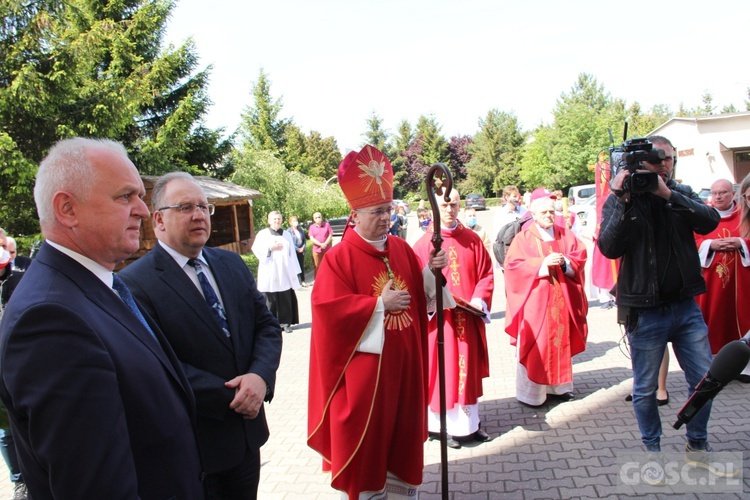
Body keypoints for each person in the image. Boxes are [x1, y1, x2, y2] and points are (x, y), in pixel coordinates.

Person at [0, 138, 204, 498]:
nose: (142, 210)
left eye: (140, 195)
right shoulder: (49, 320)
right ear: (67, 209)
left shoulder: (94, 284)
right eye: (125, 196)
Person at [119, 172, 283, 499]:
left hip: (247, 440)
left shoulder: (232, 263)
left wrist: (259, 378)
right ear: (159, 220)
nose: (198, 214)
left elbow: (265, 326)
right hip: (194, 447)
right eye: (185, 207)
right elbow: (158, 365)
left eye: (203, 206)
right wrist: (237, 397)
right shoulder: (134, 284)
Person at [308, 145, 448, 499]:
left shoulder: (400, 249)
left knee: (402, 451)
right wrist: (377, 306)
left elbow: (419, 295)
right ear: (354, 214)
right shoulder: (339, 259)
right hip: (365, 383)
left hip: (405, 373)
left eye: (389, 210)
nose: (386, 218)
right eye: (377, 212)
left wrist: (432, 273)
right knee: (367, 460)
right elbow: (328, 313)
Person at [597, 135, 720, 455]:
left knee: (705, 382)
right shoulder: (621, 198)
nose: (664, 164)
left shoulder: (680, 192)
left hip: (685, 307)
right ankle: (652, 448)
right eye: (657, 159)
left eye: (670, 159)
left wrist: (667, 195)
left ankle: (697, 440)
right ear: (640, 163)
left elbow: (710, 222)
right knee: (645, 389)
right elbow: (609, 248)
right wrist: (623, 201)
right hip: (644, 311)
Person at [413, 188, 494, 449]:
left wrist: (478, 300)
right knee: (441, 370)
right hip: (440, 324)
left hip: (467, 320)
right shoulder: (423, 245)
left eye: (454, 204)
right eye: (445, 205)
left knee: (466, 369)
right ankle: (439, 427)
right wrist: (435, 301)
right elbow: (415, 285)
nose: (450, 209)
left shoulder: (472, 239)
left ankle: (470, 425)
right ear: (436, 208)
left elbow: (486, 274)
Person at [504, 194, 588, 406]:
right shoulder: (523, 238)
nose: (549, 216)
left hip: (562, 299)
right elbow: (513, 266)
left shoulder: (564, 234)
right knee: (538, 345)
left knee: (560, 340)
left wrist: (565, 263)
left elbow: (579, 255)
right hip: (536, 303)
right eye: (544, 212)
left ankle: (560, 387)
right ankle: (533, 395)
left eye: (552, 211)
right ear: (533, 214)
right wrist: (542, 264)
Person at [695, 178, 750, 382]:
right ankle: (712, 367)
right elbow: (692, 240)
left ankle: (744, 367)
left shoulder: (744, 216)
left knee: (742, 317)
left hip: (741, 282)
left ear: (733, 194)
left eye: (723, 192)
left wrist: (740, 243)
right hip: (711, 282)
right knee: (711, 318)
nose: (718, 196)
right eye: (715, 193)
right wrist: (710, 245)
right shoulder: (702, 216)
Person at [252, 211, 301, 333]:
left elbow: (292, 254)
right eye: (274, 219)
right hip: (270, 269)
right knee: (270, 298)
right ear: (269, 221)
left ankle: (285, 323)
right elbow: (256, 249)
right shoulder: (263, 234)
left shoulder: (286, 235)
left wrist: (295, 271)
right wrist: (270, 248)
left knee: (285, 296)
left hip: (284, 270)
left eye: (279, 219)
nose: (277, 221)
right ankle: (270, 323)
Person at [308, 212, 333, 279]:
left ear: (321, 217)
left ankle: (328, 279)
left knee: (327, 265)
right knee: (317, 266)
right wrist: (320, 244)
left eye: (319, 217)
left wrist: (325, 243)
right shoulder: (312, 227)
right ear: (314, 219)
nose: (318, 219)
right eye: (316, 218)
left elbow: (330, 235)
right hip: (316, 250)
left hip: (326, 249)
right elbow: (311, 238)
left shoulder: (327, 225)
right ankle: (318, 281)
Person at [287, 215, 308, 286]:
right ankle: (295, 282)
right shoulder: (289, 231)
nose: (295, 222)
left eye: (296, 221)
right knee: (294, 266)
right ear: (290, 223)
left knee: (301, 266)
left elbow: (304, 240)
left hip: (301, 251)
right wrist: (297, 249)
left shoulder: (300, 230)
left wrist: (303, 247)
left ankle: (303, 281)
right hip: (294, 252)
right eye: (294, 221)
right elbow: (290, 242)